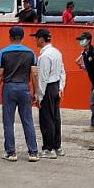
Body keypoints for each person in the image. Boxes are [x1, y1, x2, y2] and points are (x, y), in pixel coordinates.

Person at [0, 26, 39, 162]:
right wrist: (36, 91)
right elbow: (35, 73)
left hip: (9, 87)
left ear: (10, 37)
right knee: (28, 120)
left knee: (8, 121)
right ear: (22, 37)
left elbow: (0, 74)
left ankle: (11, 152)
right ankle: (33, 152)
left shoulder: (3, 53)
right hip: (24, 87)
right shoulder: (30, 53)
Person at [32, 29, 66, 159]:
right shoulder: (57, 52)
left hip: (47, 88)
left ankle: (48, 148)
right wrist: (61, 87)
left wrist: (39, 96)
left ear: (41, 39)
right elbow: (63, 71)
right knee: (55, 117)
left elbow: (43, 78)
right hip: (56, 86)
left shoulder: (44, 56)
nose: (35, 40)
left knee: (46, 119)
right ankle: (57, 146)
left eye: (36, 38)